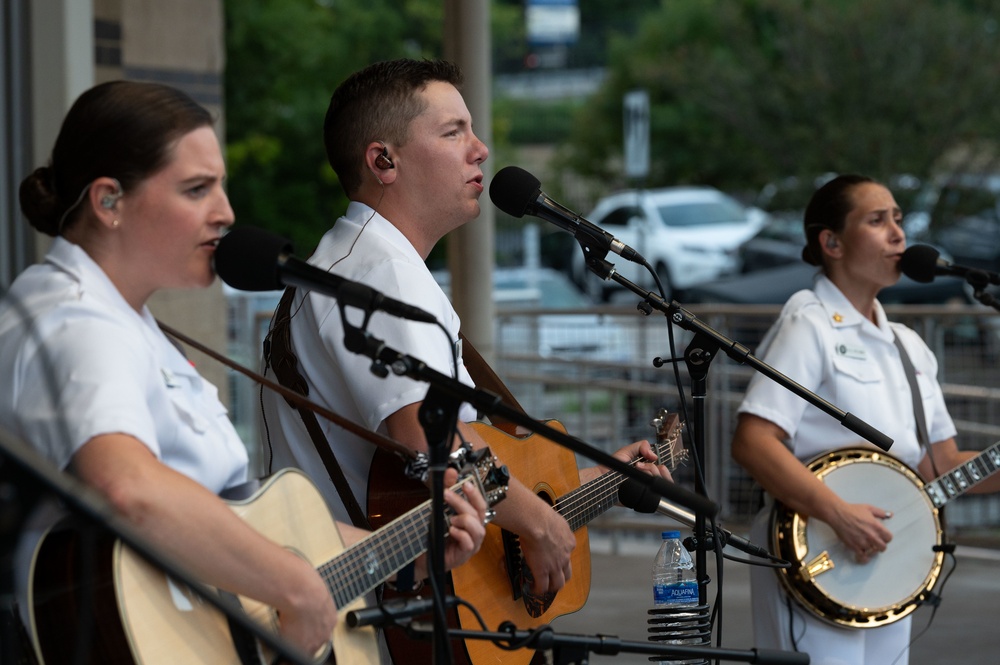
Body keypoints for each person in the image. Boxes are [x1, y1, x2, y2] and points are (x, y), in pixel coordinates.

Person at [0, 80, 487, 662]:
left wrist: (405, 550)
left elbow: (232, 516)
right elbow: (128, 487)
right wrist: (290, 585)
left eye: (221, 187)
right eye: (196, 189)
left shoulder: (126, 322)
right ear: (109, 202)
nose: (225, 213)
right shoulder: (76, 322)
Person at [259, 57, 672, 609]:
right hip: (371, 608)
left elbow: (460, 453)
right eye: (453, 132)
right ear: (384, 160)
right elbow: (431, 441)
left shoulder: (361, 263)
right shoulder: (379, 274)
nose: (480, 150)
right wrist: (541, 526)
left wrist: (596, 478)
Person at [730, 174, 1000, 665]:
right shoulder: (807, 322)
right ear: (830, 242)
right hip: (818, 551)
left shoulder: (908, 344)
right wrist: (837, 512)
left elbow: (939, 465)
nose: (899, 233)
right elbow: (754, 441)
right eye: (877, 220)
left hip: (888, 564)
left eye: (898, 218)